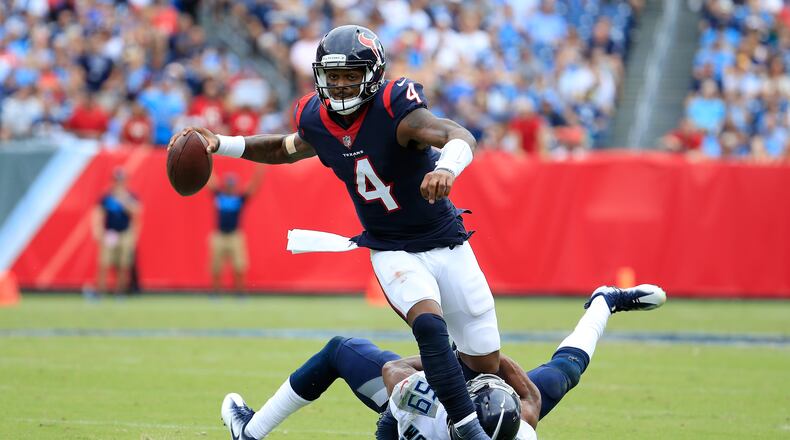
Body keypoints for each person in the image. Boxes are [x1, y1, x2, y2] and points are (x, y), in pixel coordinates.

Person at [171, 25, 500, 439]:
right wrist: (222, 142)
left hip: (446, 240)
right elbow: (283, 149)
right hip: (392, 247)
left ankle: (417, 401)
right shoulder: (316, 118)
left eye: (350, 75)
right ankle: (468, 431)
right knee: (429, 326)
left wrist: (446, 168)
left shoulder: (396, 108)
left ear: (373, 74)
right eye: (334, 75)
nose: (341, 85)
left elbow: (459, 134)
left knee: (484, 362)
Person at [220, 284, 667, 440]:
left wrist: (447, 362)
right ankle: (604, 303)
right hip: (465, 405)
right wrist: (484, 364)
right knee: (564, 373)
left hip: (410, 415)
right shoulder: (521, 423)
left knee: (341, 350)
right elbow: (528, 393)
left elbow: (394, 373)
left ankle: (251, 432)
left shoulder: (433, 409)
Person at [207, 168, 265, 294]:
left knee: (239, 267)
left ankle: (240, 293)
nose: (230, 187)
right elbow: (210, 180)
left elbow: (253, 187)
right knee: (216, 267)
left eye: (232, 184)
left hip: (235, 236)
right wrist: (206, 163)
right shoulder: (219, 196)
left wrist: (260, 171)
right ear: (225, 185)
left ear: (235, 186)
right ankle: (216, 293)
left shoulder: (239, 199)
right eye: (228, 184)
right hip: (219, 235)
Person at [91, 168, 141, 296]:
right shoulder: (107, 197)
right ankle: (100, 291)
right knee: (104, 263)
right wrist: (98, 231)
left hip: (125, 233)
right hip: (110, 233)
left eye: (121, 181)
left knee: (123, 264)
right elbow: (98, 213)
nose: (119, 184)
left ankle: (120, 292)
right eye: (117, 181)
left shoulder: (129, 196)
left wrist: (123, 200)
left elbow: (136, 211)